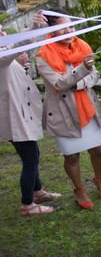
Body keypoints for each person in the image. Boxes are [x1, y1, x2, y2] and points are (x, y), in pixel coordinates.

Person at [36, 11, 101, 210]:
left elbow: (95, 74)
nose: (69, 31)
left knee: (98, 150)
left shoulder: (82, 46)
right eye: (64, 27)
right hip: (63, 112)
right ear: (52, 30)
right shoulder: (43, 55)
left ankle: (99, 180)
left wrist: (80, 82)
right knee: (72, 156)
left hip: (87, 107)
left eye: (72, 27)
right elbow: (58, 83)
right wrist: (82, 71)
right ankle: (79, 189)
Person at [0, 12, 61, 216]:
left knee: (33, 154)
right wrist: (34, 28)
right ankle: (27, 204)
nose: (3, 32)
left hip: (21, 112)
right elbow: (14, 48)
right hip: (14, 117)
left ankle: (37, 191)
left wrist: (22, 64)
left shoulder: (5, 53)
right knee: (29, 159)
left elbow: (12, 68)